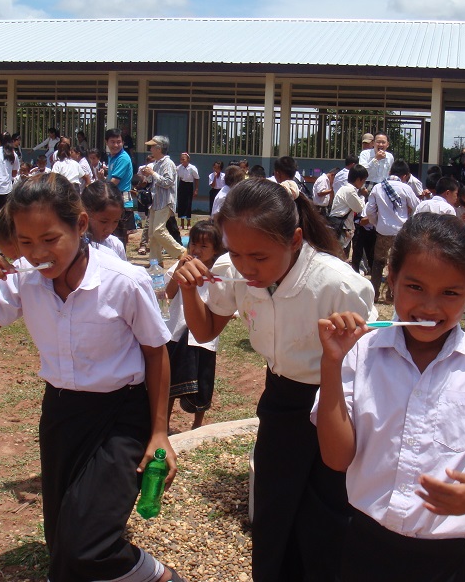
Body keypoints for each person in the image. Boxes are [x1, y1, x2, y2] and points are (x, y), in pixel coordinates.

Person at [0, 173, 182, 582]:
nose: (38, 254)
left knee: (86, 544)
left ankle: (158, 576)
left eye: (50, 239)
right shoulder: (25, 280)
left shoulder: (123, 281)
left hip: (123, 414)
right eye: (26, 243)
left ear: (80, 225)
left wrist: (159, 432)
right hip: (63, 414)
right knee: (61, 541)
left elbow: (156, 353)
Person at [313, 212, 465, 582]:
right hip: (368, 548)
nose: (431, 308)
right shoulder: (361, 353)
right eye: (415, 287)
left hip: (454, 558)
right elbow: (336, 459)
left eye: (450, 293)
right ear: (391, 281)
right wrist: (331, 365)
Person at [173, 178, 376, 582]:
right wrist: (190, 290)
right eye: (237, 252)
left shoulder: (337, 284)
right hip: (280, 401)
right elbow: (206, 330)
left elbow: (367, 364)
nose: (247, 267)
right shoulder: (234, 271)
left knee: (327, 514)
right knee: (274, 508)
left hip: (334, 402)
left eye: (260, 257)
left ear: (295, 239)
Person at [163, 220, 224, 431]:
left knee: (203, 381)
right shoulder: (180, 266)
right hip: (177, 331)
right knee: (169, 381)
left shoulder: (218, 273)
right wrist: (179, 270)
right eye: (193, 245)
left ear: (215, 250)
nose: (196, 250)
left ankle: (197, 426)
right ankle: (165, 424)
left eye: (204, 246)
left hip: (203, 337)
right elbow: (169, 294)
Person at [364, 164, 420, 303]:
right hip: (401, 232)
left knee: (378, 263)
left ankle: (374, 293)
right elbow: (417, 207)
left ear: (390, 172)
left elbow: (370, 210)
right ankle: (391, 294)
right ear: (405, 176)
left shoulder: (378, 187)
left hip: (382, 231)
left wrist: (377, 223)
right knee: (396, 264)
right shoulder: (406, 188)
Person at [141, 135, 185, 266]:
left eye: (153, 147)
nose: (151, 149)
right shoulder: (156, 164)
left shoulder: (168, 163)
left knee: (158, 230)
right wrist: (148, 175)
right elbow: (154, 182)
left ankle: (181, 252)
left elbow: (168, 182)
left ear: (159, 148)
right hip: (156, 201)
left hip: (165, 201)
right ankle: (156, 262)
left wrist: (153, 174)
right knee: (152, 234)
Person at [81, 181, 127, 261]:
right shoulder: (75, 247)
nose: (110, 229)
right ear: (86, 215)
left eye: (116, 221)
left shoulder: (116, 246)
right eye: (103, 221)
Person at [105, 128, 135, 246]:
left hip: (121, 202)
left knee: (119, 239)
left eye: (119, 142)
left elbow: (113, 182)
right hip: (114, 200)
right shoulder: (112, 157)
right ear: (106, 142)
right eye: (113, 142)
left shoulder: (123, 158)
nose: (116, 145)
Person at [328, 164, 367, 254]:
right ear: (358, 179)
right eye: (363, 181)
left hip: (338, 225)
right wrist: (363, 195)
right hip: (342, 227)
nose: (363, 184)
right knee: (340, 255)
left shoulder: (344, 188)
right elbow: (359, 208)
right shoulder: (350, 190)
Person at [176, 152, 199, 230]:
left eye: (183, 159)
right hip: (182, 185)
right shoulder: (179, 168)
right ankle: (182, 224)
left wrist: (196, 189)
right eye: (181, 159)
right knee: (181, 204)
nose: (182, 160)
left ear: (188, 159)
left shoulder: (192, 168)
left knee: (188, 204)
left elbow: (196, 178)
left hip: (189, 186)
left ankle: (188, 223)